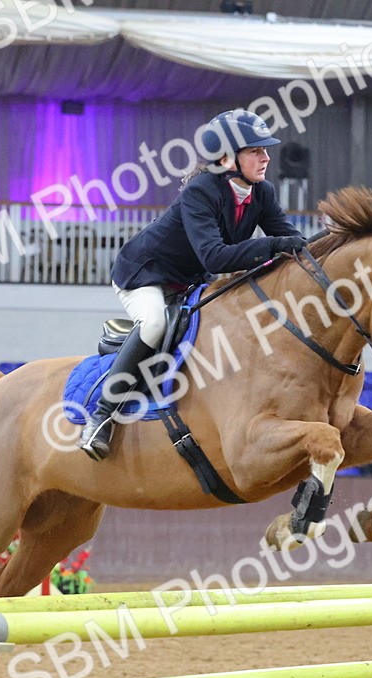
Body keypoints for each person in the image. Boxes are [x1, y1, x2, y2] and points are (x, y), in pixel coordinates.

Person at [78, 109, 307, 460]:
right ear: (227, 158)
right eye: (255, 151)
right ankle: (101, 416)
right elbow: (215, 258)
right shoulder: (201, 190)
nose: (266, 158)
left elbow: (290, 238)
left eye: (265, 150)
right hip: (145, 275)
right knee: (154, 323)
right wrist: (273, 246)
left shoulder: (262, 192)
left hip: (189, 282)